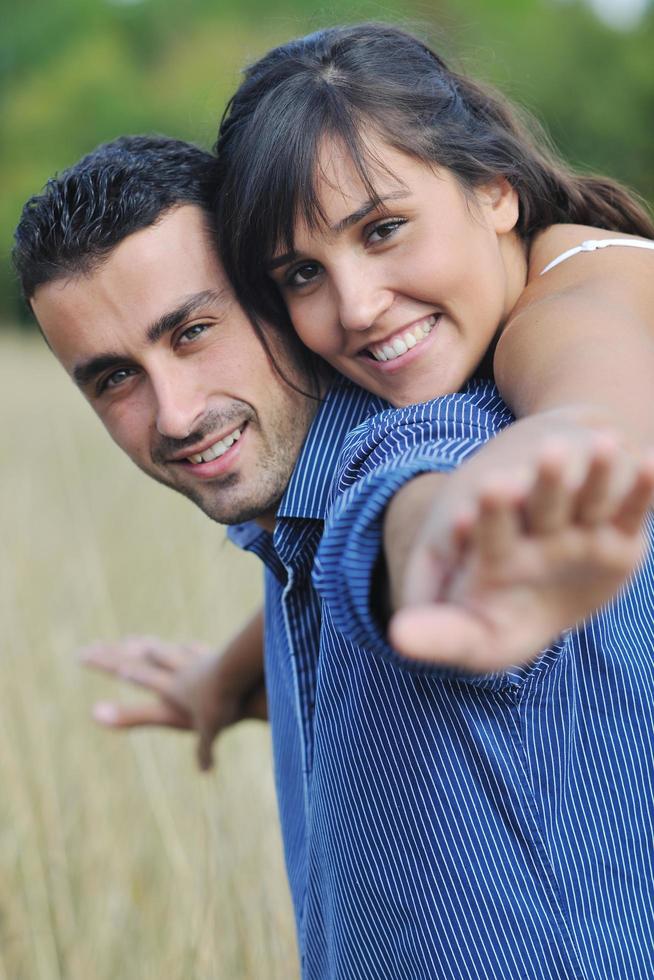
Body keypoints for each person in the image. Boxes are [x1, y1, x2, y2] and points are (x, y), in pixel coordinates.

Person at [14, 135, 654, 978]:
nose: (173, 414)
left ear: (281, 297)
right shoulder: (290, 519)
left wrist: (448, 561)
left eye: (194, 331)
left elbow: (404, 514)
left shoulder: (433, 454)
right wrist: (227, 681)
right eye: (113, 379)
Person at [212, 22, 654, 666]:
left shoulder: (560, 308)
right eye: (303, 273)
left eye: (384, 230)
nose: (357, 307)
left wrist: (557, 454)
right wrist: (222, 677)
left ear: (495, 190)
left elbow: (596, 403)